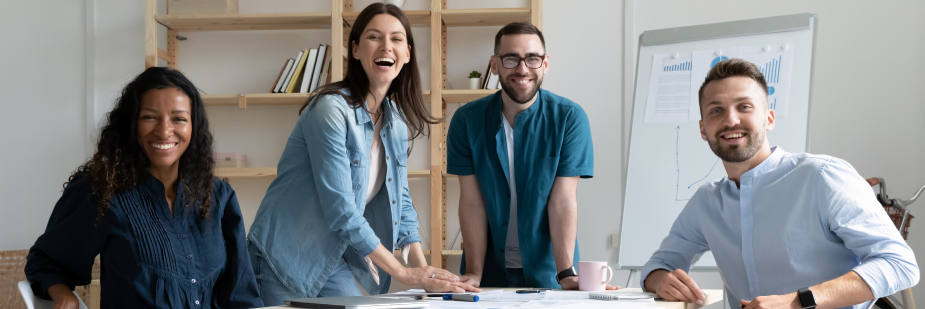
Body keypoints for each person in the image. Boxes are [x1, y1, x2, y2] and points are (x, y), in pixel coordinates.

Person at [245, 3, 478, 305]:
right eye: (374, 37)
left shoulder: (394, 119)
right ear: (355, 50)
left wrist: (426, 274)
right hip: (283, 257)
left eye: (396, 39)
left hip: (330, 257)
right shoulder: (330, 110)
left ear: (407, 53)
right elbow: (341, 209)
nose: (386, 46)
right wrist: (404, 275)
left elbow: (402, 204)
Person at [641, 58, 919, 309]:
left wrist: (799, 301)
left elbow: (899, 264)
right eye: (716, 111)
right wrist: (661, 279)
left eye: (744, 107)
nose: (731, 119)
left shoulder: (822, 176)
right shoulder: (707, 202)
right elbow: (658, 265)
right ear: (703, 130)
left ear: (769, 119)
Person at [24, 67, 263, 309]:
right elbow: (47, 261)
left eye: (179, 118)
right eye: (149, 117)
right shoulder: (102, 192)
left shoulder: (219, 196)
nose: (164, 131)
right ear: (132, 124)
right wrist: (64, 296)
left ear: (194, 127)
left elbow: (241, 295)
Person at [448, 22, 611, 290]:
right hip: (488, 273)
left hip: (550, 273)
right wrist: (475, 272)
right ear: (495, 64)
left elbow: (562, 202)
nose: (522, 69)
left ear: (545, 64)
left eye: (532, 59)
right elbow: (471, 202)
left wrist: (566, 274)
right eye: (511, 59)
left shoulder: (570, 119)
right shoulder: (466, 121)